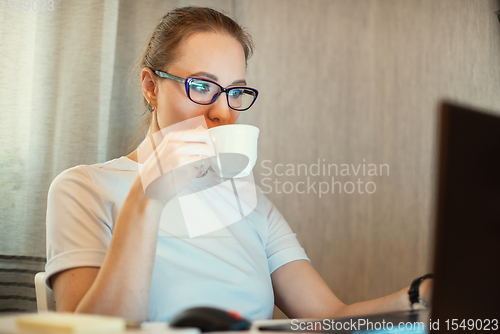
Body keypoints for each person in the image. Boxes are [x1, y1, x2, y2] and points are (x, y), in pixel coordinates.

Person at [45, 6, 433, 323]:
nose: (221, 111)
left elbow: (328, 316)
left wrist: (419, 295)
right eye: (201, 86)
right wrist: (149, 197)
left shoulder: (248, 200)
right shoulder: (84, 188)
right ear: (150, 86)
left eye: (235, 91)